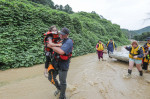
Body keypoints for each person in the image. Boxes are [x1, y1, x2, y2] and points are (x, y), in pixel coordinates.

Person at [47, 27, 73, 99]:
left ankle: (62, 95)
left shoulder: (69, 42)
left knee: (62, 82)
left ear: (67, 35)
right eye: (60, 33)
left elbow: (61, 52)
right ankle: (59, 88)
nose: (61, 35)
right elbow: (51, 38)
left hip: (63, 65)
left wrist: (51, 46)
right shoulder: (59, 40)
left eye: (63, 34)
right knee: (50, 77)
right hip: (55, 63)